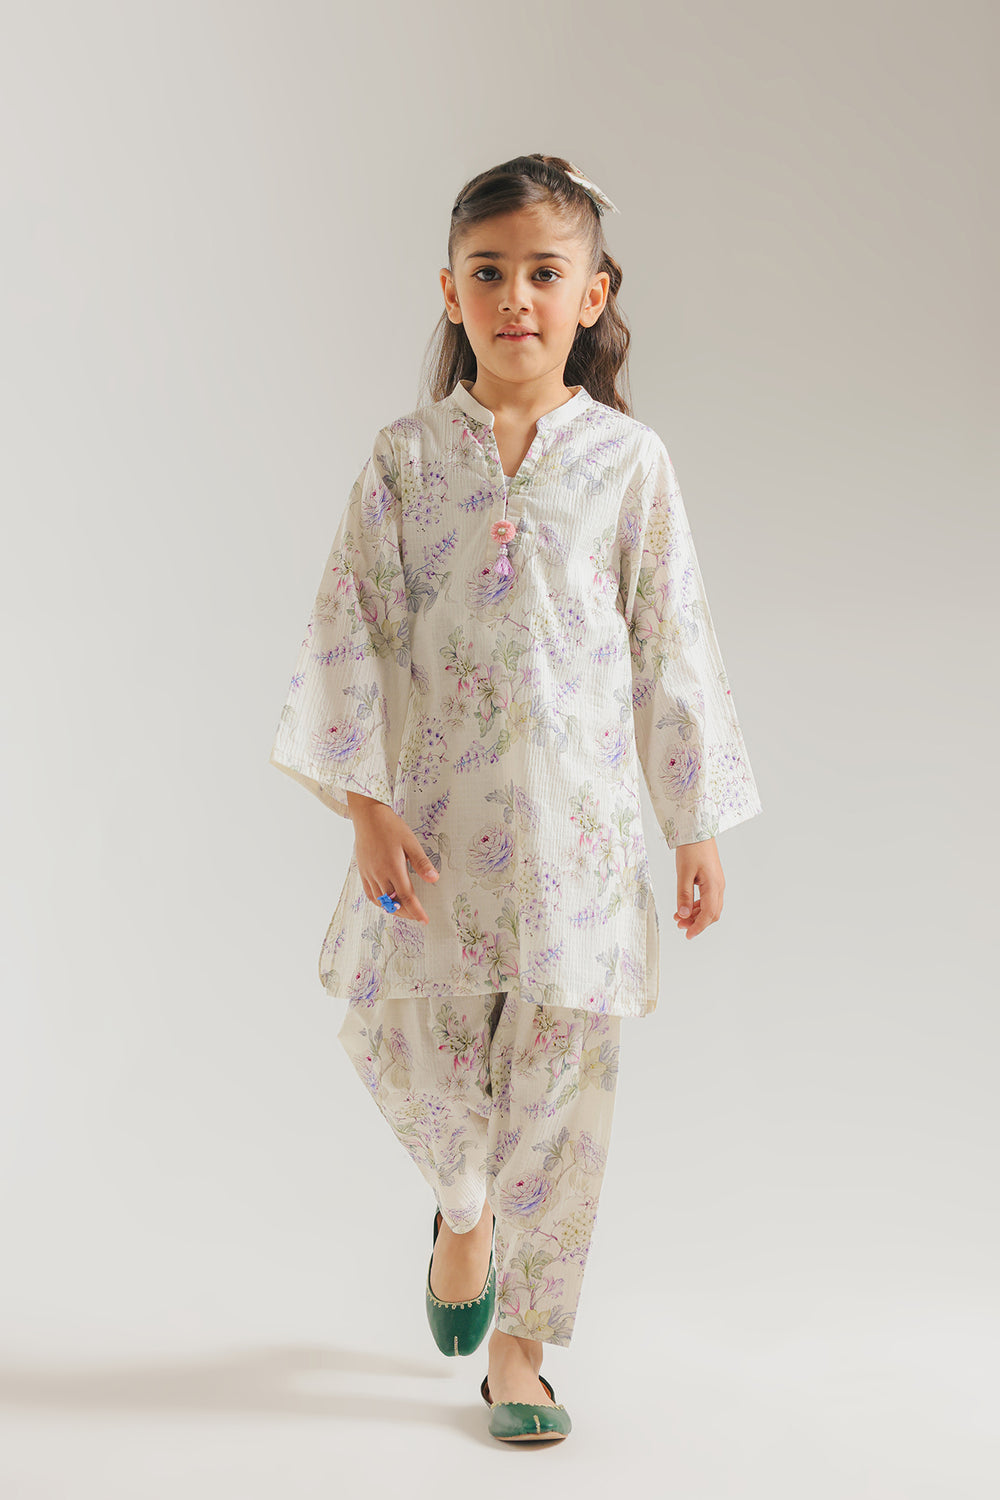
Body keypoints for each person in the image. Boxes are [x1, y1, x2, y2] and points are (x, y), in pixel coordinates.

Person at [268, 152, 763, 1444]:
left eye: (545, 273)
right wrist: (364, 805)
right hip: (432, 836)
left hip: (578, 848)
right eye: (488, 273)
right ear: (450, 290)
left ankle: (521, 1357)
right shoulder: (404, 463)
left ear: (592, 295)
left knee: (560, 1103)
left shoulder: (630, 466)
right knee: (423, 1058)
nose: (516, 299)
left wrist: (694, 822)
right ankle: (462, 1208)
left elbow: (671, 643)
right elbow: (348, 632)